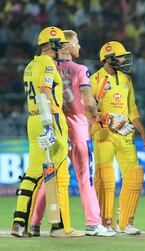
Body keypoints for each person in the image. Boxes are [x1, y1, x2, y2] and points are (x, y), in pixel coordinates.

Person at [29, 30, 114, 237]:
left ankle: (34, 224)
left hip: (56, 127)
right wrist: (96, 113)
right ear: (66, 46)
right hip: (77, 129)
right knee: (85, 178)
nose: (79, 47)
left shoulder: (47, 67)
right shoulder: (80, 69)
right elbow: (87, 100)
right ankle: (93, 223)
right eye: (76, 43)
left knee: (50, 178)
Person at [11, 26, 82, 237]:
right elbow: (44, 94)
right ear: (53, 45)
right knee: (56, 173)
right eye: (60, 44)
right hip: (49, 118)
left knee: (33, 172)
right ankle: (58, 226)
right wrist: (49, 125)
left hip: (32, 120)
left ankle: (19, 222)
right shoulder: (50, 66)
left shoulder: (30, 66)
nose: (62, 48)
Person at [90, 41, 145, 235]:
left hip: (125, 134)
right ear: (108, 58)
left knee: (135, 176)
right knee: (105, 178)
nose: (124, 60)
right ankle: (105, 223)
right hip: (103, 133)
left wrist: (142, 131)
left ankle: (126, 223)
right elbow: (88, 111)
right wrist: (107, 119)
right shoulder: (95, 79)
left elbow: (132, 109)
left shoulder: (126, 79)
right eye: (121, 56)